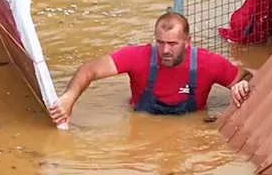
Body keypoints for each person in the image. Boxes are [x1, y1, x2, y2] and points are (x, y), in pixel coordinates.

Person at [49, 12, 252, 125]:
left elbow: (247, 77)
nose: (165, 50)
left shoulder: (209, 63)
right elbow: (89, 69)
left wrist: (241, 85)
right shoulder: (137, 57)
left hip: (188, 128)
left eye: (173, 44)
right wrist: (68, 99)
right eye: (160, 42)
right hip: (140, 122)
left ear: (188, 42)